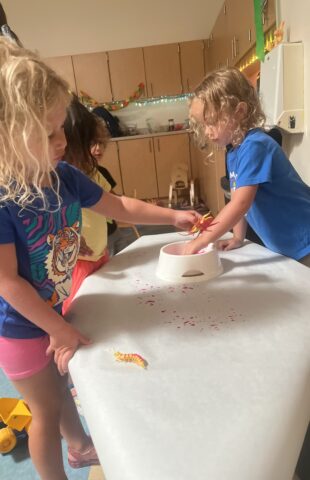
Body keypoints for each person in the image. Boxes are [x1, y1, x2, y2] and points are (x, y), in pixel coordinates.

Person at [0, 38, 200, 480]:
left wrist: (173, 216)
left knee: (64, 391)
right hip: (17, 328)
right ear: (10, 138)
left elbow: (120, 207)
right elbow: (8, 284)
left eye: (61, 128)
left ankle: (80, 447)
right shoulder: (4, 201)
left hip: (52, 311)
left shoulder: (66, 178)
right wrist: (60, 329)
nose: (62, 140)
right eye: (48, 133)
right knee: (44, 412)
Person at [183, 67, 310, 267]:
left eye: (212, 122)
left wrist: (201, 240)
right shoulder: (234, 151)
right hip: (286, 245)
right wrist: (237, 237)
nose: (207, 132)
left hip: (304, 239)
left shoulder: (255, 145)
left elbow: (240, 204)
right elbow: (237, 198)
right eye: (203, 125)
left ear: (239, 112)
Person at [62, 96, 115, 314]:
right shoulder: (60, 179)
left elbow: (117, 204)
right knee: (79, 313)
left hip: (99, 254)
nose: (95, 151)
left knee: (103, 309)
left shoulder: (91, 174)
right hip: (79, 263)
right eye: (89, 145)